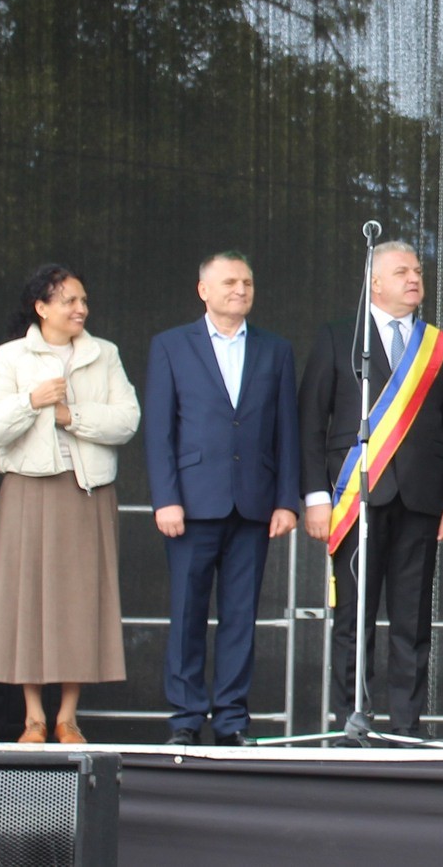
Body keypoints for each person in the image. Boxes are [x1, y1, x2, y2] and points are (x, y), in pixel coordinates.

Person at [299, 241, 443, 742]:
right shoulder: (339, 337)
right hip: (357, 497)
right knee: (353, 617)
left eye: (417, 271)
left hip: (422, 499)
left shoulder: (438, 345)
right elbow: (310, 422)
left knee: (412, 620)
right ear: (374, 284)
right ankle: (350, 722)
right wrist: (316, 497)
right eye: (401, 272)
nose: (414, 278)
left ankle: (406, 725)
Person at [0, 264, 141, 744]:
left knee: (79, 603)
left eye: (83, 300)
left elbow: (127, 420)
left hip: (87, 491)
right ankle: (32, 718)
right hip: (28, 489)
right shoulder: (11, 357)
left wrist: (70, 415)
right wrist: (31, 401)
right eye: (69, 301)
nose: (80, 309)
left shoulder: (104, 354)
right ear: (41, 308)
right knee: (27, 601)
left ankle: (67, 716)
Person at [145, 251, 302, 746]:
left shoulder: (275, 349)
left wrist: (287, 500)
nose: (240, 290)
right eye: (230, 282)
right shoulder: (171, 345)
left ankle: (232, 719)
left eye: (247, 282)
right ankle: (186, 718)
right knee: (187, 613)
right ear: (203, 290)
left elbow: (287, 431)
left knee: (241, 617)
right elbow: (159, 430)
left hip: (254, 504)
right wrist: (165, 498)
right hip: (190, 504)